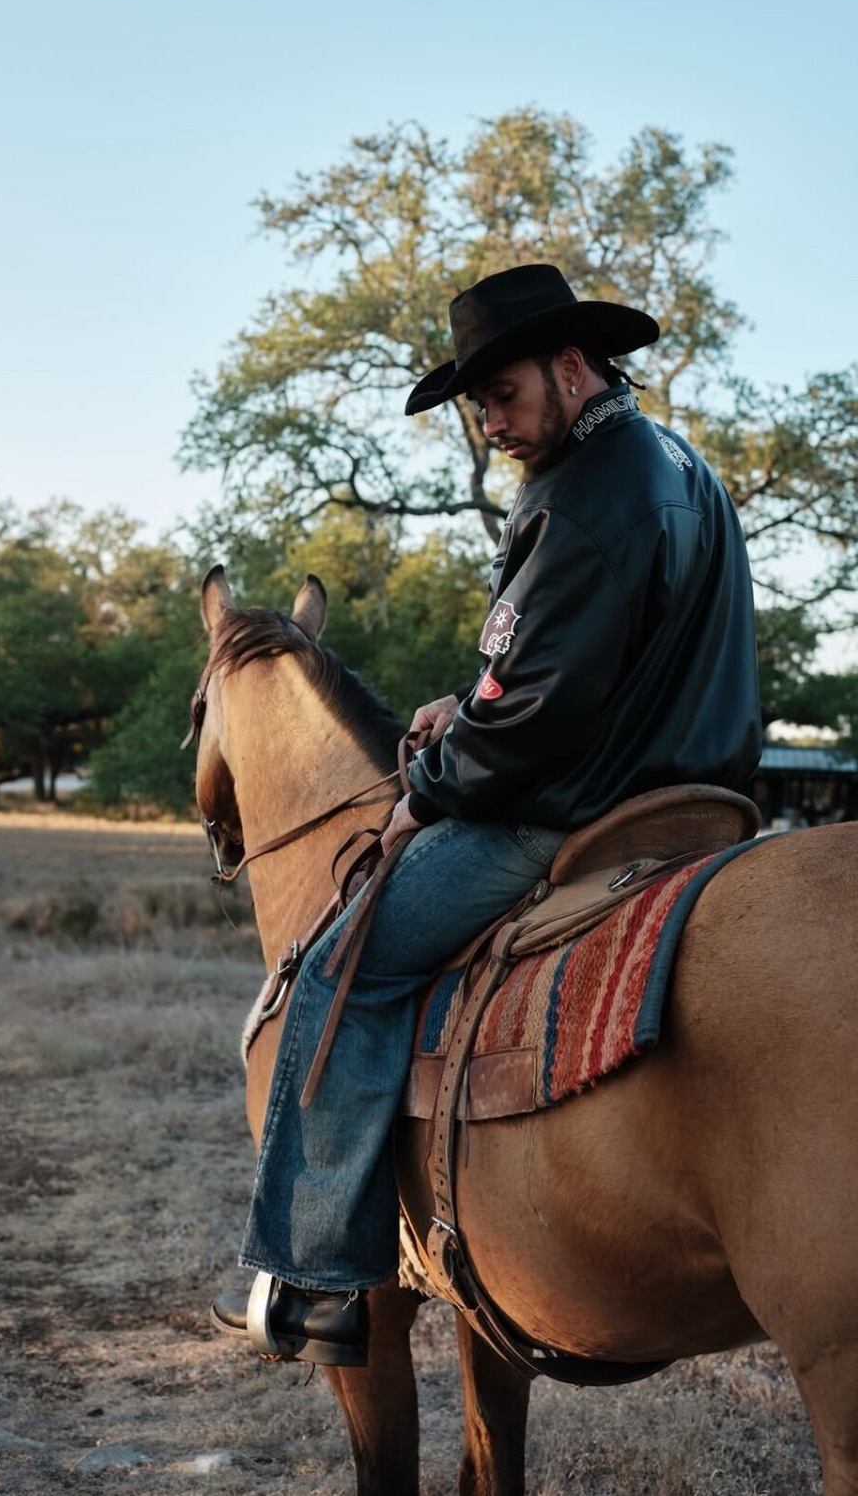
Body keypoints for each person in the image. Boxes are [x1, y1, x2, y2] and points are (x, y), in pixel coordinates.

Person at [211, 263, 762, 1366]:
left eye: (502, 396)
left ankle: (313, 1274)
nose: (493, 424)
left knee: (333, 972)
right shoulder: (679, 469)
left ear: (571, 366)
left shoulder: (583, 491)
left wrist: (428, 783)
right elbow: (596, 670)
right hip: (696, 805)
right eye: (479, 408)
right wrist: (466, 704)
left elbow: (536, 726)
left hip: (561, 819)